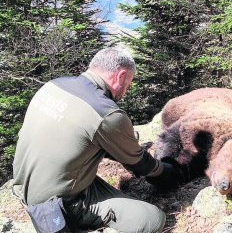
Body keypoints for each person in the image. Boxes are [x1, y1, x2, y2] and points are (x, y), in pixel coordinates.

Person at [13, 47, 178, 232]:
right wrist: (166, 172)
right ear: (120, 76)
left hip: (24, 187)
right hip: (58, 206)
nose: (126, 90)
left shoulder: (53, 85)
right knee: (152, 219)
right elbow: (138, 162)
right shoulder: (106, 112)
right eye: (129, 83)